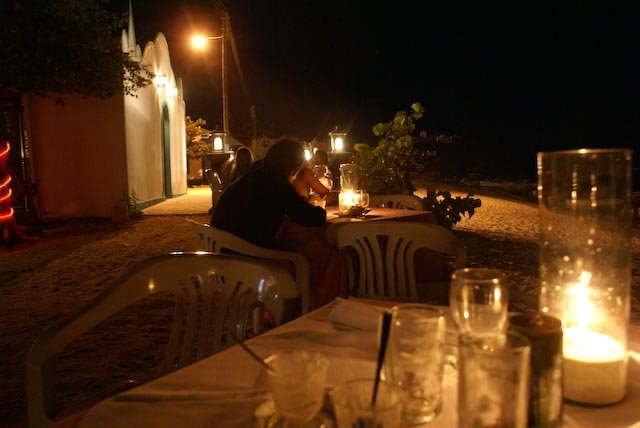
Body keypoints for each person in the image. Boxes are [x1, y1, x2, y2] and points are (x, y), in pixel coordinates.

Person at [211, 137, 326, 248]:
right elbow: (310, 216)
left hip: (220, 247)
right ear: (293, 169)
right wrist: (320, 208)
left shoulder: (255, 172)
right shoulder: (275, 181)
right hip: (243, 254)